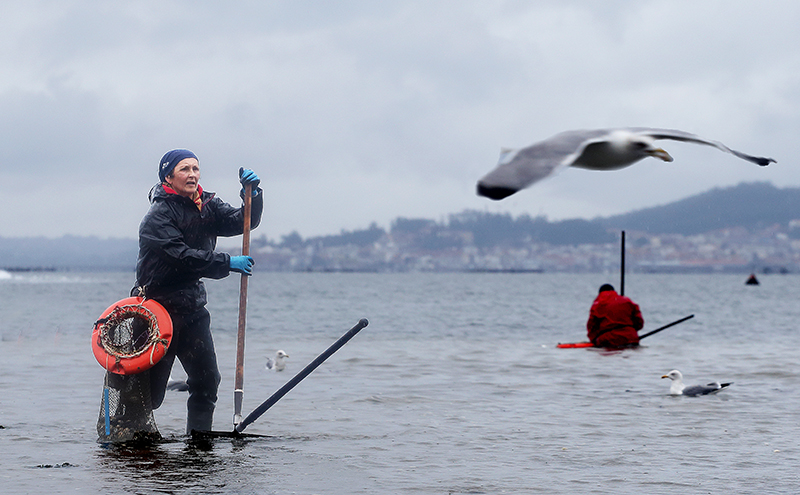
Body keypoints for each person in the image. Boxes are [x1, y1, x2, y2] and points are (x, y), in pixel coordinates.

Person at [131, 148, 263, 433]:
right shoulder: (157, 217)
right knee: (150, 392)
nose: (192, 174)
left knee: (207, 380)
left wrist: (252, 196)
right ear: (168, 177)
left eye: (195, 168)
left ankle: (199, 442)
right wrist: (227, 262)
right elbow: (182, 256)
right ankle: (132, 442)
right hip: (156, 309)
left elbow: (244, 221)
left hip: (192, 306)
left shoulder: (208, 205)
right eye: (184, 169)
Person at [586, 283, 644, 348]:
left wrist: (594, 340)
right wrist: (630, 332)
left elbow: (592, 326)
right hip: (631, 338)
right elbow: (639, 322)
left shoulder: (597, 304)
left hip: (609, 339)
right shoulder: (627, 301)